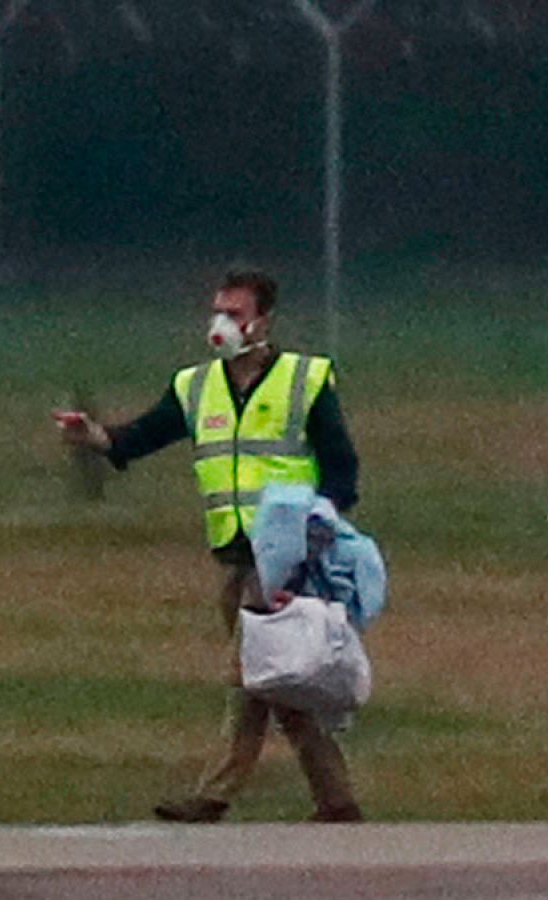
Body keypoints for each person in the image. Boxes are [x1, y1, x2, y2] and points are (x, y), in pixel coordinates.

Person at [57, 269, 364, 824]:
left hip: (287, 561)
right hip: (233, 556)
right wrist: (95, 436)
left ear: (262, 321)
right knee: (281, 683)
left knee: (250, 677)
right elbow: (142, 436)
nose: (223, 323)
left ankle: (212, 796)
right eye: (218, 311)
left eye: (236, 313)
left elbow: (341, 469)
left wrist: (320, 529)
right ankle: (337, 802)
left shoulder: (305, 379)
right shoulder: (196, 387)